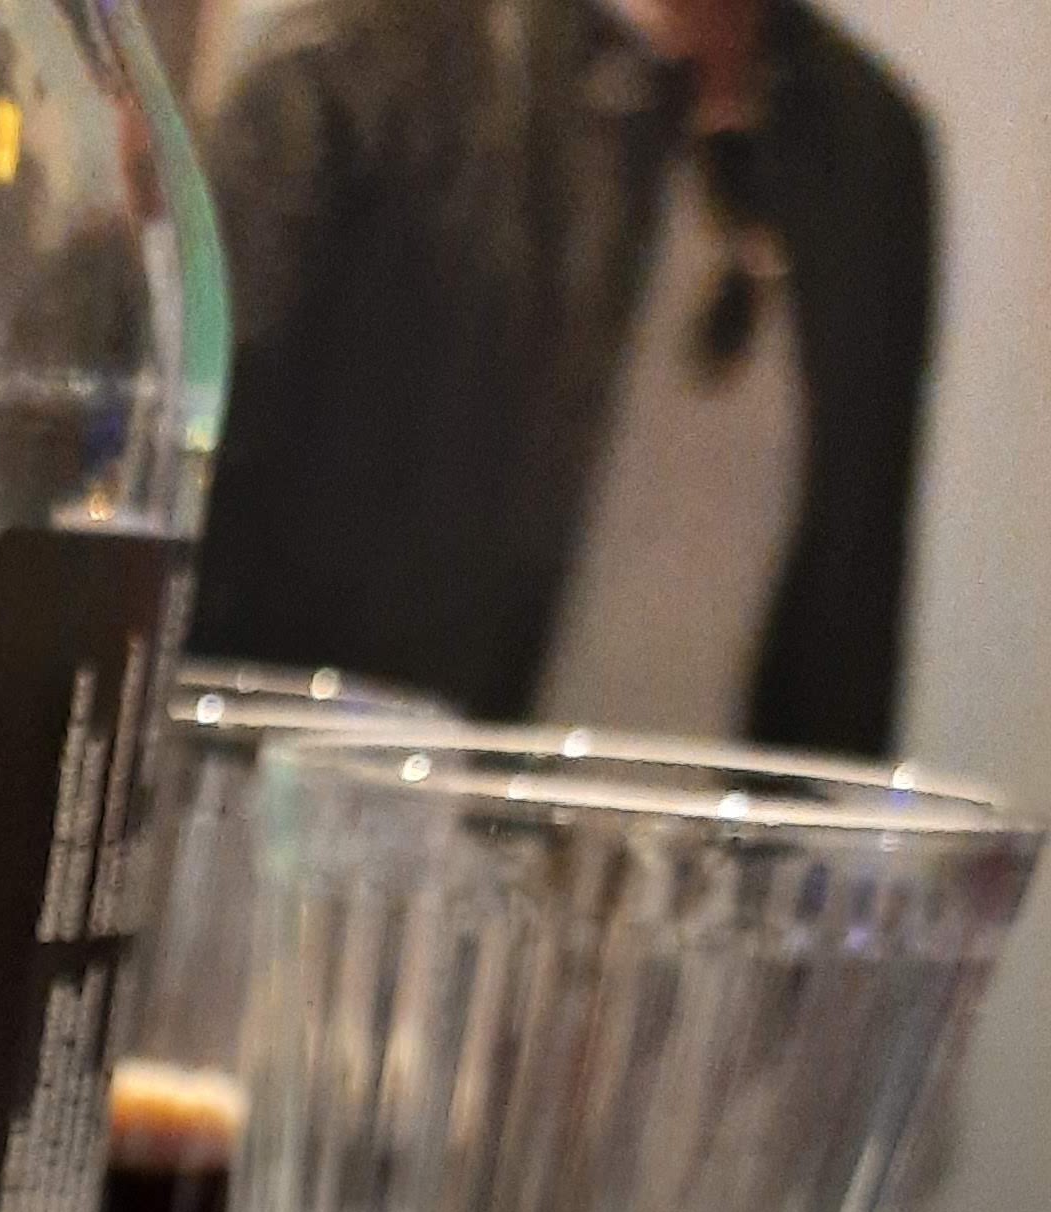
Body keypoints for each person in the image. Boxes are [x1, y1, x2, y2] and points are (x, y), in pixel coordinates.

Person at [189, 0, 937, 753]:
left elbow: (843, 668)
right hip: (362, 816)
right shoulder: (359, 68)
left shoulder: (868, 151)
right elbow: (185, 553)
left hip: (684, 827)